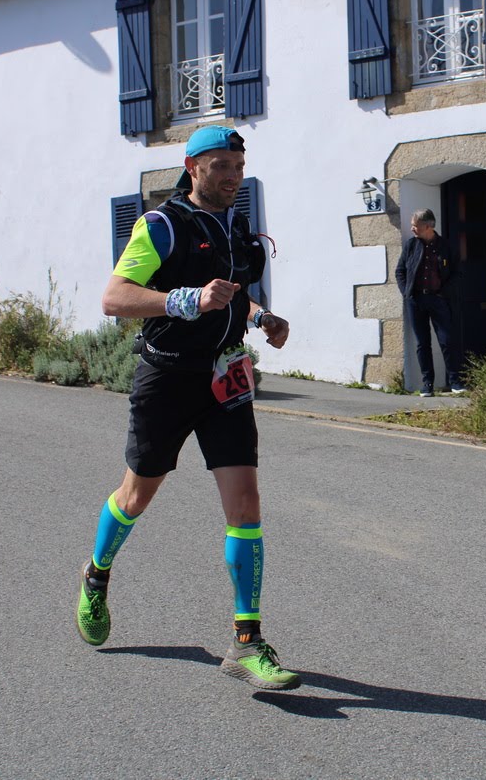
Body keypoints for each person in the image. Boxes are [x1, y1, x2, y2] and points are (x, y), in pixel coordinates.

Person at [75, 125, 300, 691]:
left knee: (246, 503)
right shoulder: (162, 225)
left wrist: (260, 317)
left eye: (238, 167)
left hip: (225, 378)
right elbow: (114, 297)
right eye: (220, 166)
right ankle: (97, 574)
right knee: (137, 495)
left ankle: (246, 642)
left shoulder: (237, 227)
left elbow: (235, 292)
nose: (232, 177)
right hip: (168, 378)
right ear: (192, 167)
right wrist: (185, 300)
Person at [394, 208, 464, 396]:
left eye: (414, 225)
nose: (412, 228)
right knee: (422, 343)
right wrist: (407, 293)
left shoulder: (446, 246)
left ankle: (455, 382)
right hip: (416, 300)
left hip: (439, 299)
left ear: (427, 226)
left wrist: (444, 292)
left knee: (447, 340)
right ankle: (427, 384)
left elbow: (457, 273)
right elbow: (400, 271)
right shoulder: (411, 245)